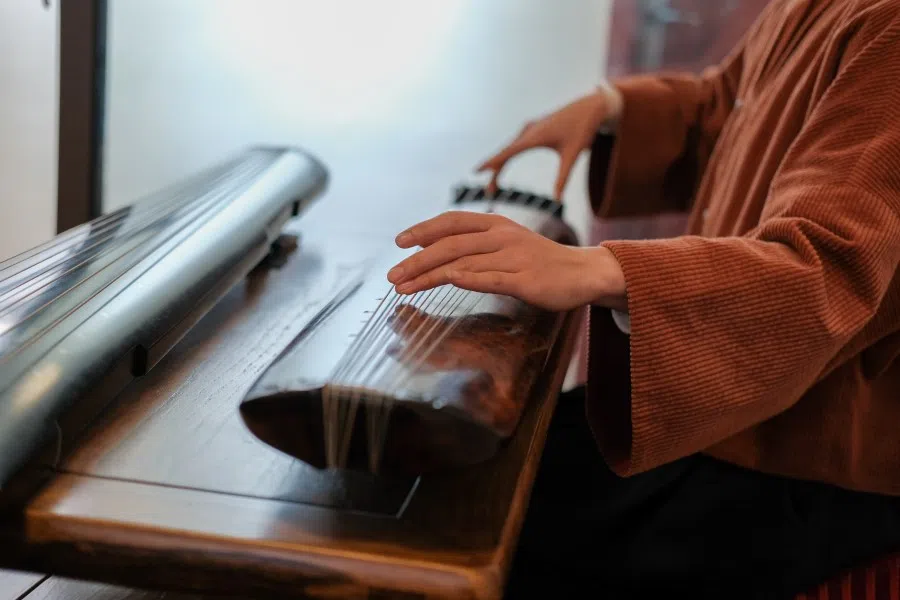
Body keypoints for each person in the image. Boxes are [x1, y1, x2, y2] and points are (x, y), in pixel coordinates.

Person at [387, 0, 900, 597]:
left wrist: (601, 270)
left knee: (474, 523)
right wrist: (613, 108)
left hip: (801, 456)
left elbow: (828, 265)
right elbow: (727, 104)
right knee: (469, 470)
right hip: (739, 411)